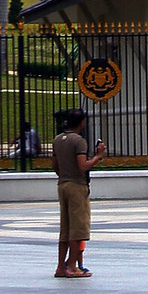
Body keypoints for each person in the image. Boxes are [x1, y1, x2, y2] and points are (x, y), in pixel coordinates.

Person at [52, 108, 105, 278]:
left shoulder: (58, 139)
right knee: (78, 228)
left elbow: (54, 164)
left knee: (65, 227)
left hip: (63, 184)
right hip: (77, 185)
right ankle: (72, 267)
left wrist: (64, 174)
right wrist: (98, 156)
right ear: (82, 123)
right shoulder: (79, 141)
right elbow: (83, 166)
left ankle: (61, 266)